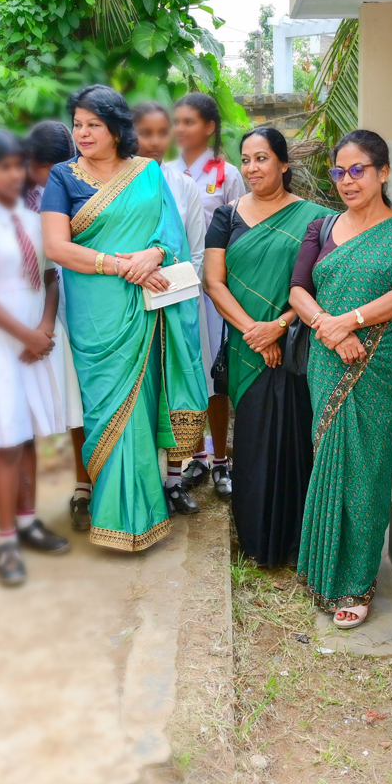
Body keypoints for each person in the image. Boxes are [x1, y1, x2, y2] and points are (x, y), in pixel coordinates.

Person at [289, 130, 392, 629]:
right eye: (339, 171)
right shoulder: (321, 226)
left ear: (383, 172)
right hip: (328, 359)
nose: (347, 180)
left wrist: (350, 321)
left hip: (380, 363)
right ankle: (324, 571)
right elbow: (298, 291)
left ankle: (357, 583)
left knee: (367, 471)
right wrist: (330, 328)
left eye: (358, 170)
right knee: (330, 460)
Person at [41, 85, 208, 550]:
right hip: (96, 313)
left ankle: (141, 516)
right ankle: (113, 515)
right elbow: (56, 246)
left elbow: (171, 234)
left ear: (116, 129)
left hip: (145, 309)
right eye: (78, 124)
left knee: (140, 407)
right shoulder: (62, 176)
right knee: (104, 409)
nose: (83, 132)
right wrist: (118, 265)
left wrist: (153, 255)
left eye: (93, 124)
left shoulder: (147, 173)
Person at [0, 130, 75, 585]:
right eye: (2, 167)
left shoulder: (35, 219)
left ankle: (27, 521)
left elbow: (51, 277)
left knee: (27, 437)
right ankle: (6, 541)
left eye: (18, 165)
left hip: (34, 343)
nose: (14, 174)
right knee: (7, 441)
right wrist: (24, 333)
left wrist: (44, 327)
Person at [204, 127, 332, 566]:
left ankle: (298, 543)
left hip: (296, 346)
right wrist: (255, 333)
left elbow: (320, 284)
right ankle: (257, 542)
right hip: (247, 348)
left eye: (261, 158)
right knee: (254, 438)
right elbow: (214, 283)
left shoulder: (315, 219)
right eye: (246, 159)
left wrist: (279, 326)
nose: (252, 168)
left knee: (297, 438)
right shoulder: (226, 217)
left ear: (282, 163)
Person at [164, 93, 245, 499]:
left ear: (210, 127)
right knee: (186, 370)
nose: (180, 129)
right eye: (176, 121)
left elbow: (240, 230)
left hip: (214, 289)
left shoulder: (227, 174)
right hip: (174, 289)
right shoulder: (162, 172)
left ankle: (221, 460)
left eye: (189, 121)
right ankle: (195, 455)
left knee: (216, 374)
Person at [133, 101, 212, 509]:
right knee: (141, 391)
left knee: (178, 383)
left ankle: (175, 481)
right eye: (145, 132)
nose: (155, 141)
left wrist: (173, 291)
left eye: (162, 133)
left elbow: (196, 251)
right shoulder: (119, 186)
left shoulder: (183, 186)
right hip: (130, 303)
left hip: (177, 303)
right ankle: (143, 484)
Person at [23, 121, 94, 529]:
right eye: (47, 170)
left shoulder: (77, 183)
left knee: (85, 391)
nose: (55, 177)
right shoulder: (18, 201)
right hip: (36, 308)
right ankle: (33, 508)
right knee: (50, 401)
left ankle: (91, 483)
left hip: (82, 297)